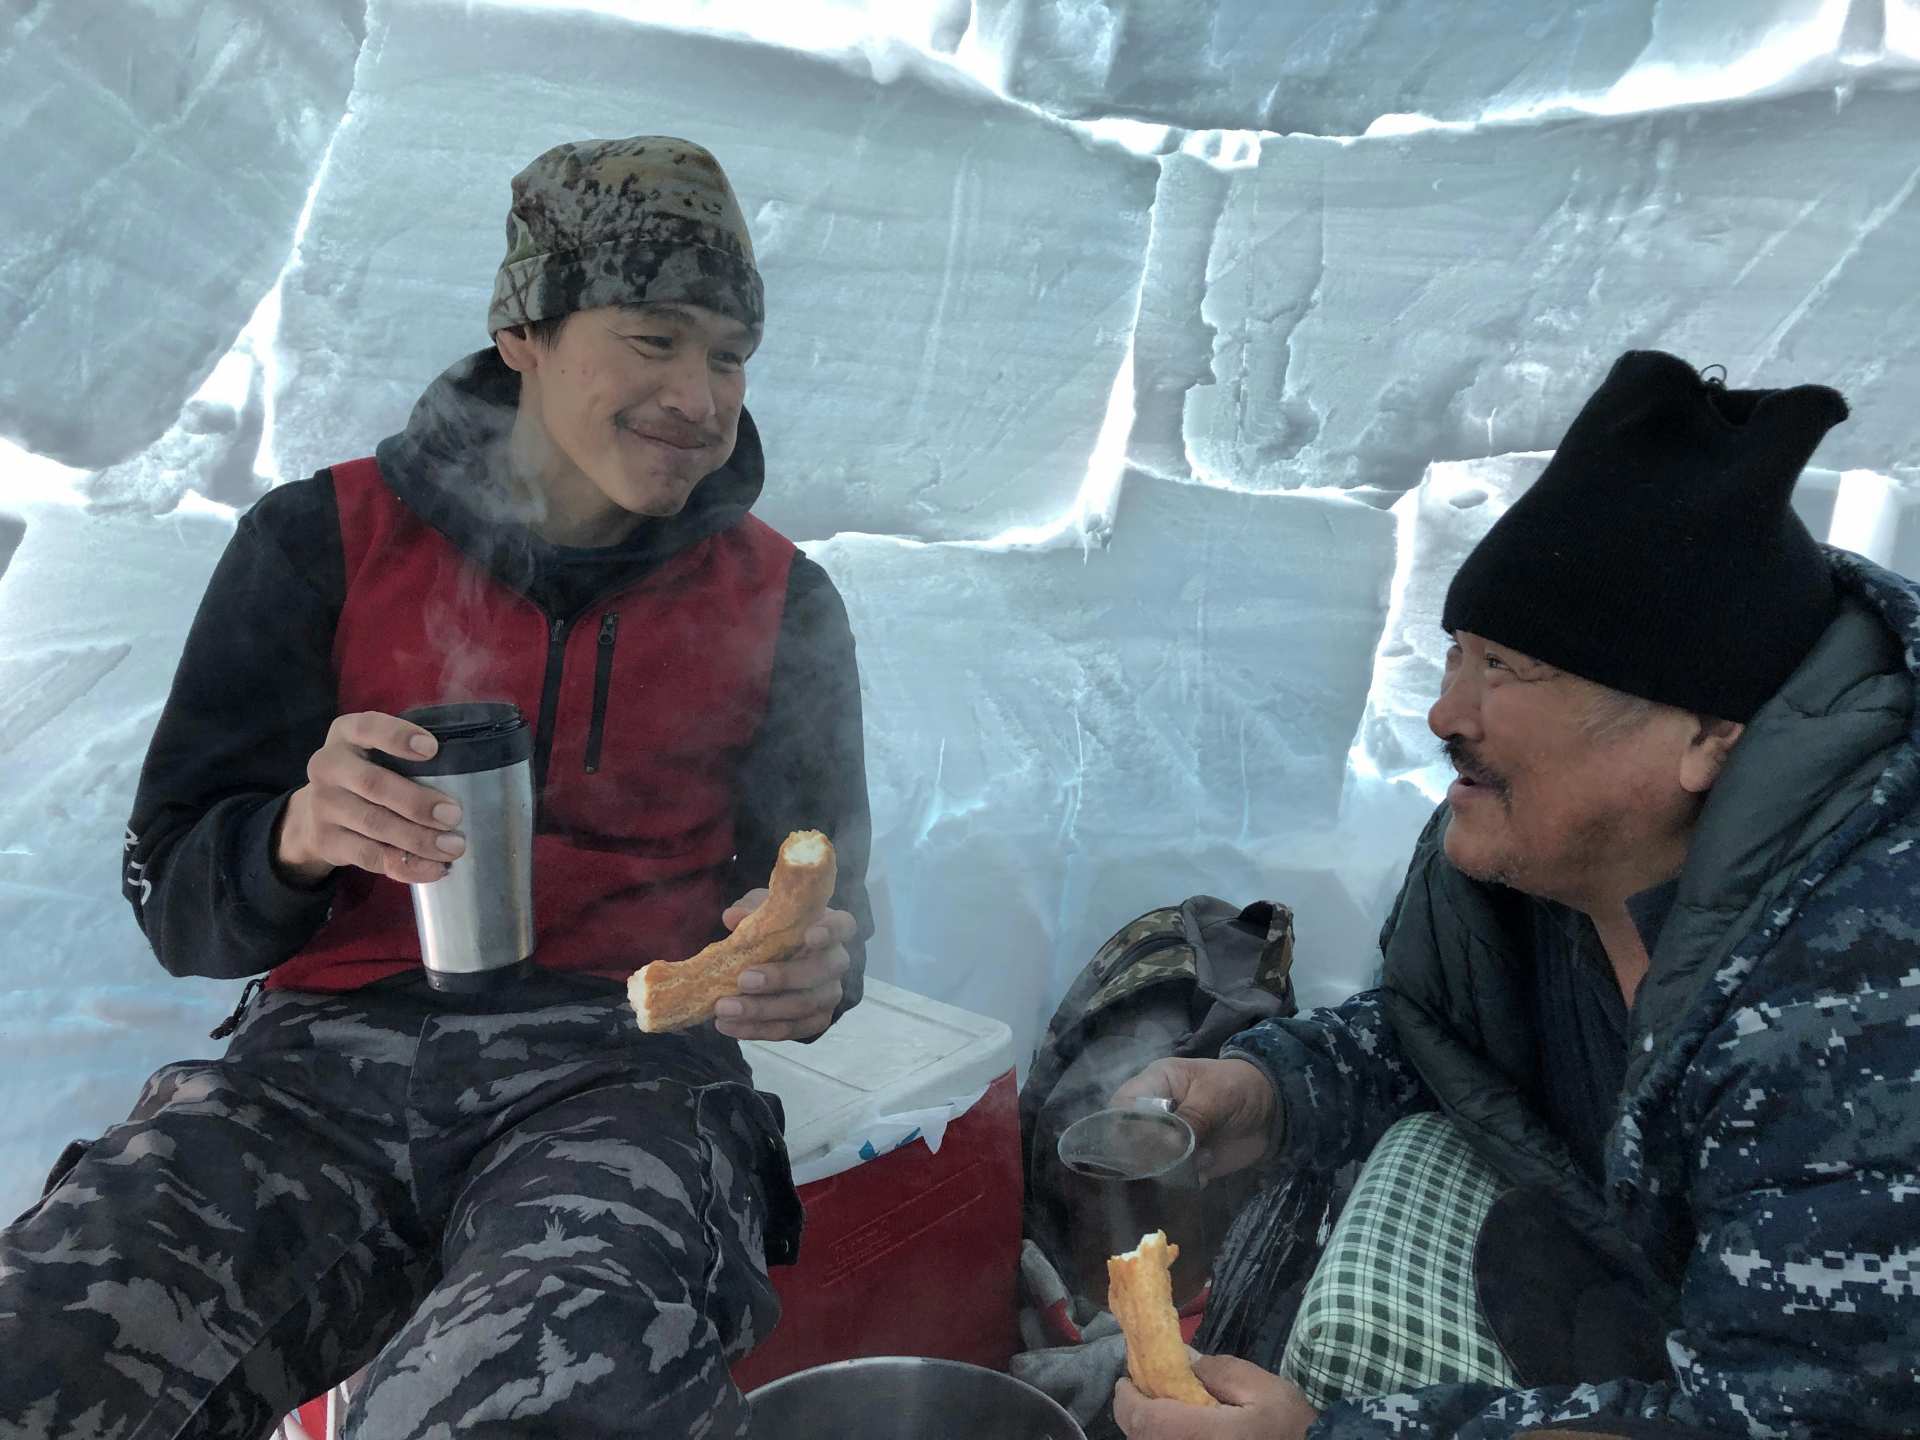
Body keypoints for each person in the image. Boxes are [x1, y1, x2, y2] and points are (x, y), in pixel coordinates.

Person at [0, 136, 872, 1438]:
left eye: (728, 356)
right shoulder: (320, 542)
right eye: (654, 338)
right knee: (43, 1357)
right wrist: (292, 835)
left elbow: (812, 891)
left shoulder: (780, 602)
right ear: (523, 329)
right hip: (311, 1073)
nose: (701, 395)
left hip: (619, 1076)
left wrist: (809, 970)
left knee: (558, 1393)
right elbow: (181, 902)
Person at [1110, 351, 1920, 1439]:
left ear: (1706, 732)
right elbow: (1448, 1033)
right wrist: (1266, 1092)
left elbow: (1787, 1423)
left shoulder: (1854, 1006)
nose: (1446, 712)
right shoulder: (1541, 866)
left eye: (1511, 668)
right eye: (1458, 653)